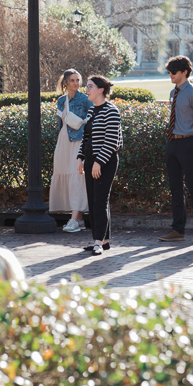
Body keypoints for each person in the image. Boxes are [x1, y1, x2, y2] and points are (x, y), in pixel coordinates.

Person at [158, 55, 193, 244]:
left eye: (174, 72)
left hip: (189, 144)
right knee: (175, 188)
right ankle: (178, 230)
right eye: (169, 72)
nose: (170, 75)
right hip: (172, 143)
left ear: (184, 72)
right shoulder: (173, 93)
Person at [76, 75, 122, 256]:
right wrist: (80, 158)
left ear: (101, 90)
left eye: (90, 86)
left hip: (105, 162)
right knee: (93, 201)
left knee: (99, 201)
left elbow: (111, 141)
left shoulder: (111, 111)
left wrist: (98, 162)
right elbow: (86, 138)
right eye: (86, 86)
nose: (86, 90)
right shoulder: (91, 111)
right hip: (90, 161)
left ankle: (98, 242)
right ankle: (104, 240)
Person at [49, 69, 91, 233]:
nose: (76, 83)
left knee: (77, 176)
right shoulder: (61, 100)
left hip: (79, 141)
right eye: (72, 80)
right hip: (64, 141)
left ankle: (73, 219)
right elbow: (60, 123)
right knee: (67, 174)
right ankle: (78, 219)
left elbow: (92, 119)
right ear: (65, 82)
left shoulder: (85, 99)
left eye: (77, 80)